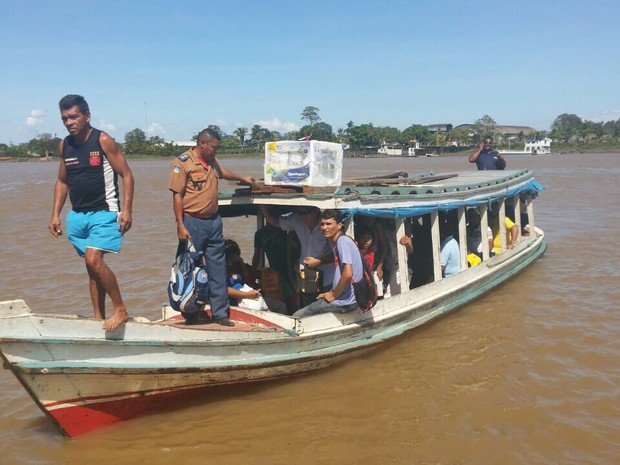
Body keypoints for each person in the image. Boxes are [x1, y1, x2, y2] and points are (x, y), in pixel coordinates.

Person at [48, 95, 134, 331]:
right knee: (92, 268)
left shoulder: (102, 140)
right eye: (64, 118)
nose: (69, 122)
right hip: (78, 215)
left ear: (87, 116)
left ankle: (120, 310)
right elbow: (62, 181)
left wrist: (126, 210)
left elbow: (126, 174)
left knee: (93, 260)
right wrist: (55, 213)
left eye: (73, 116)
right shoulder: (64, 145)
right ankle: (98, 317)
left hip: (105, 211)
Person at [168, 128, 255, 326]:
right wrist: (180, 225)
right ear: (202, 144)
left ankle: (220, 314)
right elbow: (177, 196)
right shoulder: (182, 163)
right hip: (192, 221)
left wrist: (243, 179)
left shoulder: (211, 161)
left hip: (213, 221)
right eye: (214, 148)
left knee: (217, 267)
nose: (216, 151)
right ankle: (189, 311)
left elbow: (223, 173)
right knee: (189, 269)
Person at [293, 210, 363, 318]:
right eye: (322, 224)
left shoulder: (342, 242)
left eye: (329, 224)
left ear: (339, 225)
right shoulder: (340, 242)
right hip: (345, 299)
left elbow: (348, 273)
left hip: (345, 303)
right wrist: (329, 293)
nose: (325, 228)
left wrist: (333, 294)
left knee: (297, 316)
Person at [261, 205, 334, 308]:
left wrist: (319, 261)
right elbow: (275, 222)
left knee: (326, 309)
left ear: (316, 211)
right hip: (306, 277)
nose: (303, 216)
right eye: (300, 212)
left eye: (307, 212)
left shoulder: (326, 226)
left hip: (327, 278)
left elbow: (337, 253)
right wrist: (263, 206)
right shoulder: (297, 220)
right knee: (307, 308)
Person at [225, 239, 287, 314]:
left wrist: (241, 264)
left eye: (236, 256)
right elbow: (226, 290)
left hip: (250, 295)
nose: (233, 260)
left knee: (281, 306)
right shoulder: (221, 272)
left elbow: (248, 278)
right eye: (231, 257)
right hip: (239, 299)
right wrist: (248, 295)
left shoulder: (242, 268)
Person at [252, 213, 296, 311]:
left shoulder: (283, 229)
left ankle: (293, 313)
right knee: (278, 296)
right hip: (274, 270)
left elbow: (290, 249)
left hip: (289, 267)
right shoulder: (260, 233)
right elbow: (257, 255)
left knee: (292, 295)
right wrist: (252, 272)